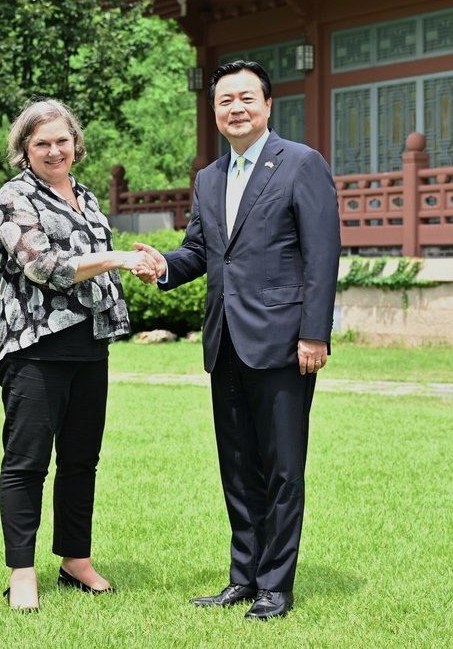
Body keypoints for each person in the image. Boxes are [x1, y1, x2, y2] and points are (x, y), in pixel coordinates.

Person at [135, 60, 341, 620]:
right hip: (224, 342)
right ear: (215, 111)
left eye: (247, 98)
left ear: (268, 105)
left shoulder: (301, 164)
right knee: (237, 467)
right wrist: (161, 268)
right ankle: (243, 577)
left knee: (280, 469)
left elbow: (321, 257)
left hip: (282, 343)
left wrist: (314, 334)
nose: (236, 109)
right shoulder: (208, 177)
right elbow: (201, 252)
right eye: (225, 100)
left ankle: (276, 585)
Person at [0, 98, 155, 611]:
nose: (54, 150)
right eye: (41, 143)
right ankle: (22, 572)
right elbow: (43, 267)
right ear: (24, 149)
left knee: (82, 459)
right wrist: (118, 258)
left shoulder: (86, 197)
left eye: (62, 140)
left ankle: (75, 560)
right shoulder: (13, 198)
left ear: (75, 144)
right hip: (36, 351)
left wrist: (140, 263)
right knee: (27, 463)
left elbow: (97, 267)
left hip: (90, 346)